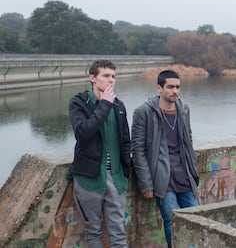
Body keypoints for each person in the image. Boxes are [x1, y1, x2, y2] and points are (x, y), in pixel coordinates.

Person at [131, 70, 199, 248]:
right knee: (171, 221)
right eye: (170, 87)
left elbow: (188, 140)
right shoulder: (144, 112)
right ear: (159, 88)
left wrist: (193, 171)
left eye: (177, 87)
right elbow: (137, 150)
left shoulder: (183, 108)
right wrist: (146, 183)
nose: (175, 91)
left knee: (197, 218)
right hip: (162, 178)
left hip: (184, 175)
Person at [68, 60, 131, 248]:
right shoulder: (79, 102)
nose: (111, 80)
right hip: (89, 179)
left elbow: (126, 142)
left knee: (119, 233)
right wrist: (104, 104)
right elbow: (83, 134)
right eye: (106, 76)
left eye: (113, 76)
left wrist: (125, 174)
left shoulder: (119, 106)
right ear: (92, 78)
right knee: (93, 232)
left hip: (116, 178)